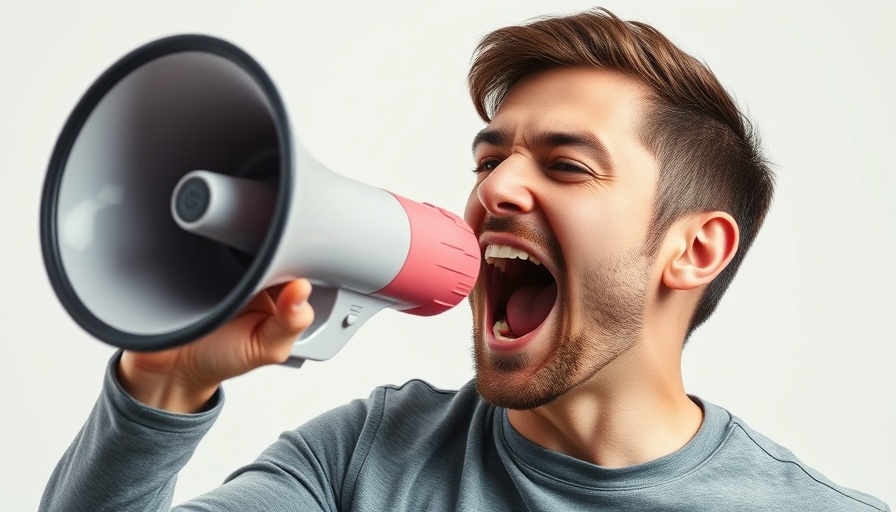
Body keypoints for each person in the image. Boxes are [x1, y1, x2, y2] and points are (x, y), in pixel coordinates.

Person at [40, 8, 889, 511]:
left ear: (693, 249)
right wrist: (162, 387)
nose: (495, 191)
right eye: (488, 162)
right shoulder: (362, 461)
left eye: (566, 165)